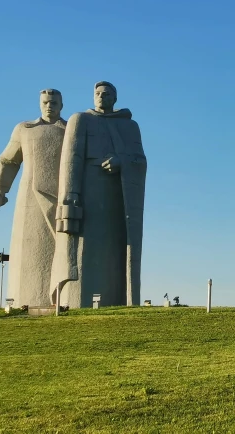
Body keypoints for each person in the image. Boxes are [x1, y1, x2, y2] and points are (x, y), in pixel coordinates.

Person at [50, 81, 147, 307]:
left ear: (114, 99)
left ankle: (117, 299)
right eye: (97, 93)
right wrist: (70, 194)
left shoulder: (130, 126)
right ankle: (77, 300)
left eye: (106, 94)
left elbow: (140, 160)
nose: (101, 96)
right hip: (88, 190)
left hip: (118, 195)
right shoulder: (80, 120)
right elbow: (70, 159)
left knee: (115, 248)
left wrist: (121, 161)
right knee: (85, 248)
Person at [0, 89, 66, 307]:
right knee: (29, 249)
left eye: (54, 102)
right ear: (40, 104)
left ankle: (63, 299)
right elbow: (8, 161)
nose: (50, 106)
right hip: (29, 199)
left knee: (63, 249)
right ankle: (25, 300)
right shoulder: (25, 129)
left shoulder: (71, 130)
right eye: (46, 102)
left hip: (64, 198)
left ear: (61, 105)